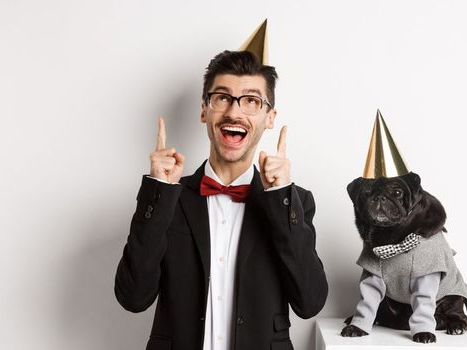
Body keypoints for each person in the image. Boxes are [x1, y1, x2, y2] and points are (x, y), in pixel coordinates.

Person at [113, 49, 328, 350]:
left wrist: (280, 196)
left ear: (270, 118)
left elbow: (309, 303)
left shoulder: (295, 202)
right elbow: (133, 298)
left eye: (251, 101)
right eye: (222, 98)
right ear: (204, 110)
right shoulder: (167, 198)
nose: (234, 113)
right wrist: (158, 190)